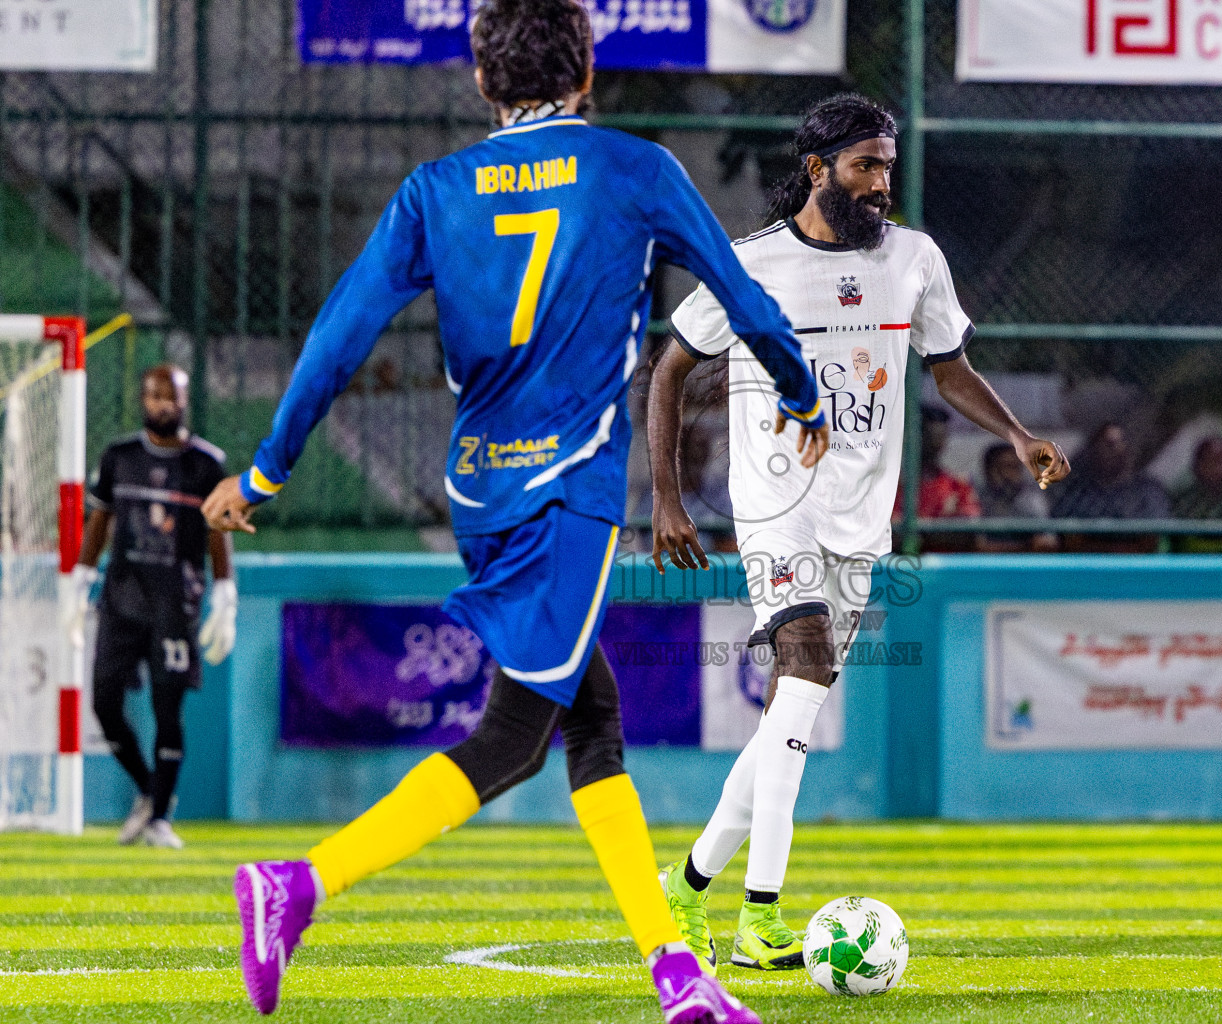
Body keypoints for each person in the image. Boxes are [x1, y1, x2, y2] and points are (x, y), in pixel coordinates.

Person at [200, 2, 827, 1020]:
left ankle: (679, 979)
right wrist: (801, 392)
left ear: (482, 82)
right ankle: (297, 884)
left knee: (594, 719)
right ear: (587, 72)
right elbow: (741, 296)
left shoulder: (434, 189)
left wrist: (267, 471)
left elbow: (337, 336)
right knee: (515, 735)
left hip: (480, 493)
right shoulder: (635, 168)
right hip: (569, 490)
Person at [647, 93, 1069, 975]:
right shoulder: (750, 265)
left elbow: (949, 369)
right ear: (817, 170)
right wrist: (668, 499)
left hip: (860, 520)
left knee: (789, 716)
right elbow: (669, 370)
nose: (881, 183)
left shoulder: (914, 259)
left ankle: (683, 888)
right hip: (776, 507)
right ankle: (760, 918)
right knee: (802, 672)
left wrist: (1017, 435)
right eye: (865, 165)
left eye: (887, 166)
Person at [71, 365, 235, 851]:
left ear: (185, 401)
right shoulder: (118, 457)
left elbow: (219, 532)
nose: (163, 403)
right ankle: (147, 791)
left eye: (171, 396)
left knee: (168, 710)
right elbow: (99, 520)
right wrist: (80, 579)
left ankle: (160, 817)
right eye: (154, 395)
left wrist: (225, 593)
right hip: (121, 601)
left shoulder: (207, 464)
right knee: (104, 705)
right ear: (142, 399)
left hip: (174, 605)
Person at [1049, 421, 1169, 553]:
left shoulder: (1147, 489)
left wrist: (1118, 550)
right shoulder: (1077, 491)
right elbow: (1069, 537)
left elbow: (1151, 539)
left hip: (1137, 563)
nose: (1115, 450)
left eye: (1120, 443)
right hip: (1085, 562)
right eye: (1108, 445)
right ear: (1094, 449)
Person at [907, 405, 982, 552]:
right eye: (929, 436)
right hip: (899, 562)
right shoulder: (892, 484)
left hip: (946, 562)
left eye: (940, 437)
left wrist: (924, 532)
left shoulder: (957, 484)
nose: (936, 444)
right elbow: (891, 534)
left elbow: (969, 532)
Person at [976, 440, 1056, 552]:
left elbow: (1047, 541)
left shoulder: (1030, 497)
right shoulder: (977, 495)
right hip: (985, 561)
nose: (1011, 474)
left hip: (1024, 560)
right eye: (1006, 466)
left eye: (1016, 467)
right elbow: (978, 544)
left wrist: (1024, 546)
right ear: (989, 469)